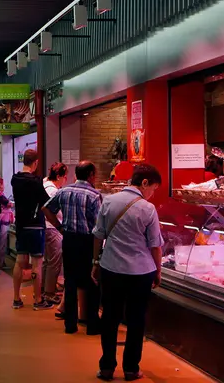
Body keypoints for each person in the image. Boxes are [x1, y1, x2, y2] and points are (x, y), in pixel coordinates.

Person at [92, 164, 164, 382]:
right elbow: (155, 246)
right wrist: (158, 271)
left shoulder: (110, 201)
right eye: (153, 188)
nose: (152, 193)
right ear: (144, 183)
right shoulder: (148, 209)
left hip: (111, 268)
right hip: (141, 273)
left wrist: (95, 262)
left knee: (110, 318)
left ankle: (106, 368)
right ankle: (131, 369)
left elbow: (98, 235)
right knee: (136, 320)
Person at [42, 161, 102, 335]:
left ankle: (70, 325)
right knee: (91, 282)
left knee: (70, 280)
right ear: (91, 174)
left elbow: (46, 209)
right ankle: (92, 325)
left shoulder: (64, 191)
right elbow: (98, 226)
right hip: (87, 242)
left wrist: (60, 226)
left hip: (68, 239)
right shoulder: (94, 195)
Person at [11, 149, 53, 311]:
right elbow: (46, 202)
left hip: (21, 225)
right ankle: (38, 300)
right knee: (36, 263)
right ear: (35, 163)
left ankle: (16, 298)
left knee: (20, 262)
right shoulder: (36, 182)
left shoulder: (15, 179)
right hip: (35, 226)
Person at [42, 162, 68, 305]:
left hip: (44, 228)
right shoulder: (53, 191)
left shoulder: (44, 185)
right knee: (54, 262)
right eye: (64, 177)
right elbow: (54, 211)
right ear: (58, 176)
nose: (65, 180)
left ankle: (43, 288)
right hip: (52, 228)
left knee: (47, 261)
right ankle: (49, 293)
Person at [0, 177, 13, 270]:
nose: (4, 186)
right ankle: (0, 263)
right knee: (2, 243)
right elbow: (8, 204)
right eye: (3, 184)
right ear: (0, 185)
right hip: (3, 222)